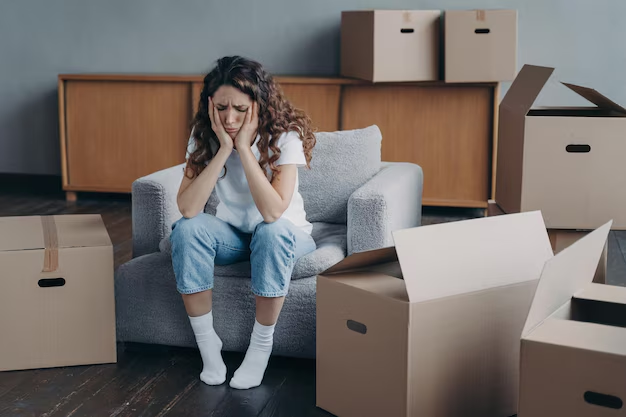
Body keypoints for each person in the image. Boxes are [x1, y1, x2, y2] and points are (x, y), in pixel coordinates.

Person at [169, 56, 317, 390]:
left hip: (287, 234)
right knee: (187, 229)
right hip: (234, 236)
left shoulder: (285, 136)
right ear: (210, 105)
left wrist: (245, 150)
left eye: (240, 108)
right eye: (221, 108)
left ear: (258, 104)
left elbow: (273, 212)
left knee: (271, 231)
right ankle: (209, 346)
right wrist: (223, 148)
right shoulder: (204, 135)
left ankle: (260, 348)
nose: (230, 118)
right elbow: (188, 208)